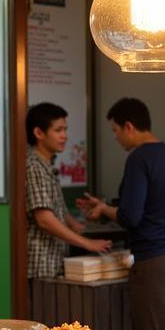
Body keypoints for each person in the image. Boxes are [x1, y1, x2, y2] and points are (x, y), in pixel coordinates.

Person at [77, 98, 165, 330]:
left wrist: (104, 209)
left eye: (115, 131)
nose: (116, 138)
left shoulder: (139, 158)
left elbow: (131, 216)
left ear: (129, 126)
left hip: (151, 264)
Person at [25, 102, 110, 313]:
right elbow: (44, 219)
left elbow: (59, 213)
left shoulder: (47, 166)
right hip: (40, 265)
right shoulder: (35, 167)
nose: (64, 136)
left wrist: (81, 225)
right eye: (58, 130)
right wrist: (87, 243)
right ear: (38, 133)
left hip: (52, 263)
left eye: (65, 129)